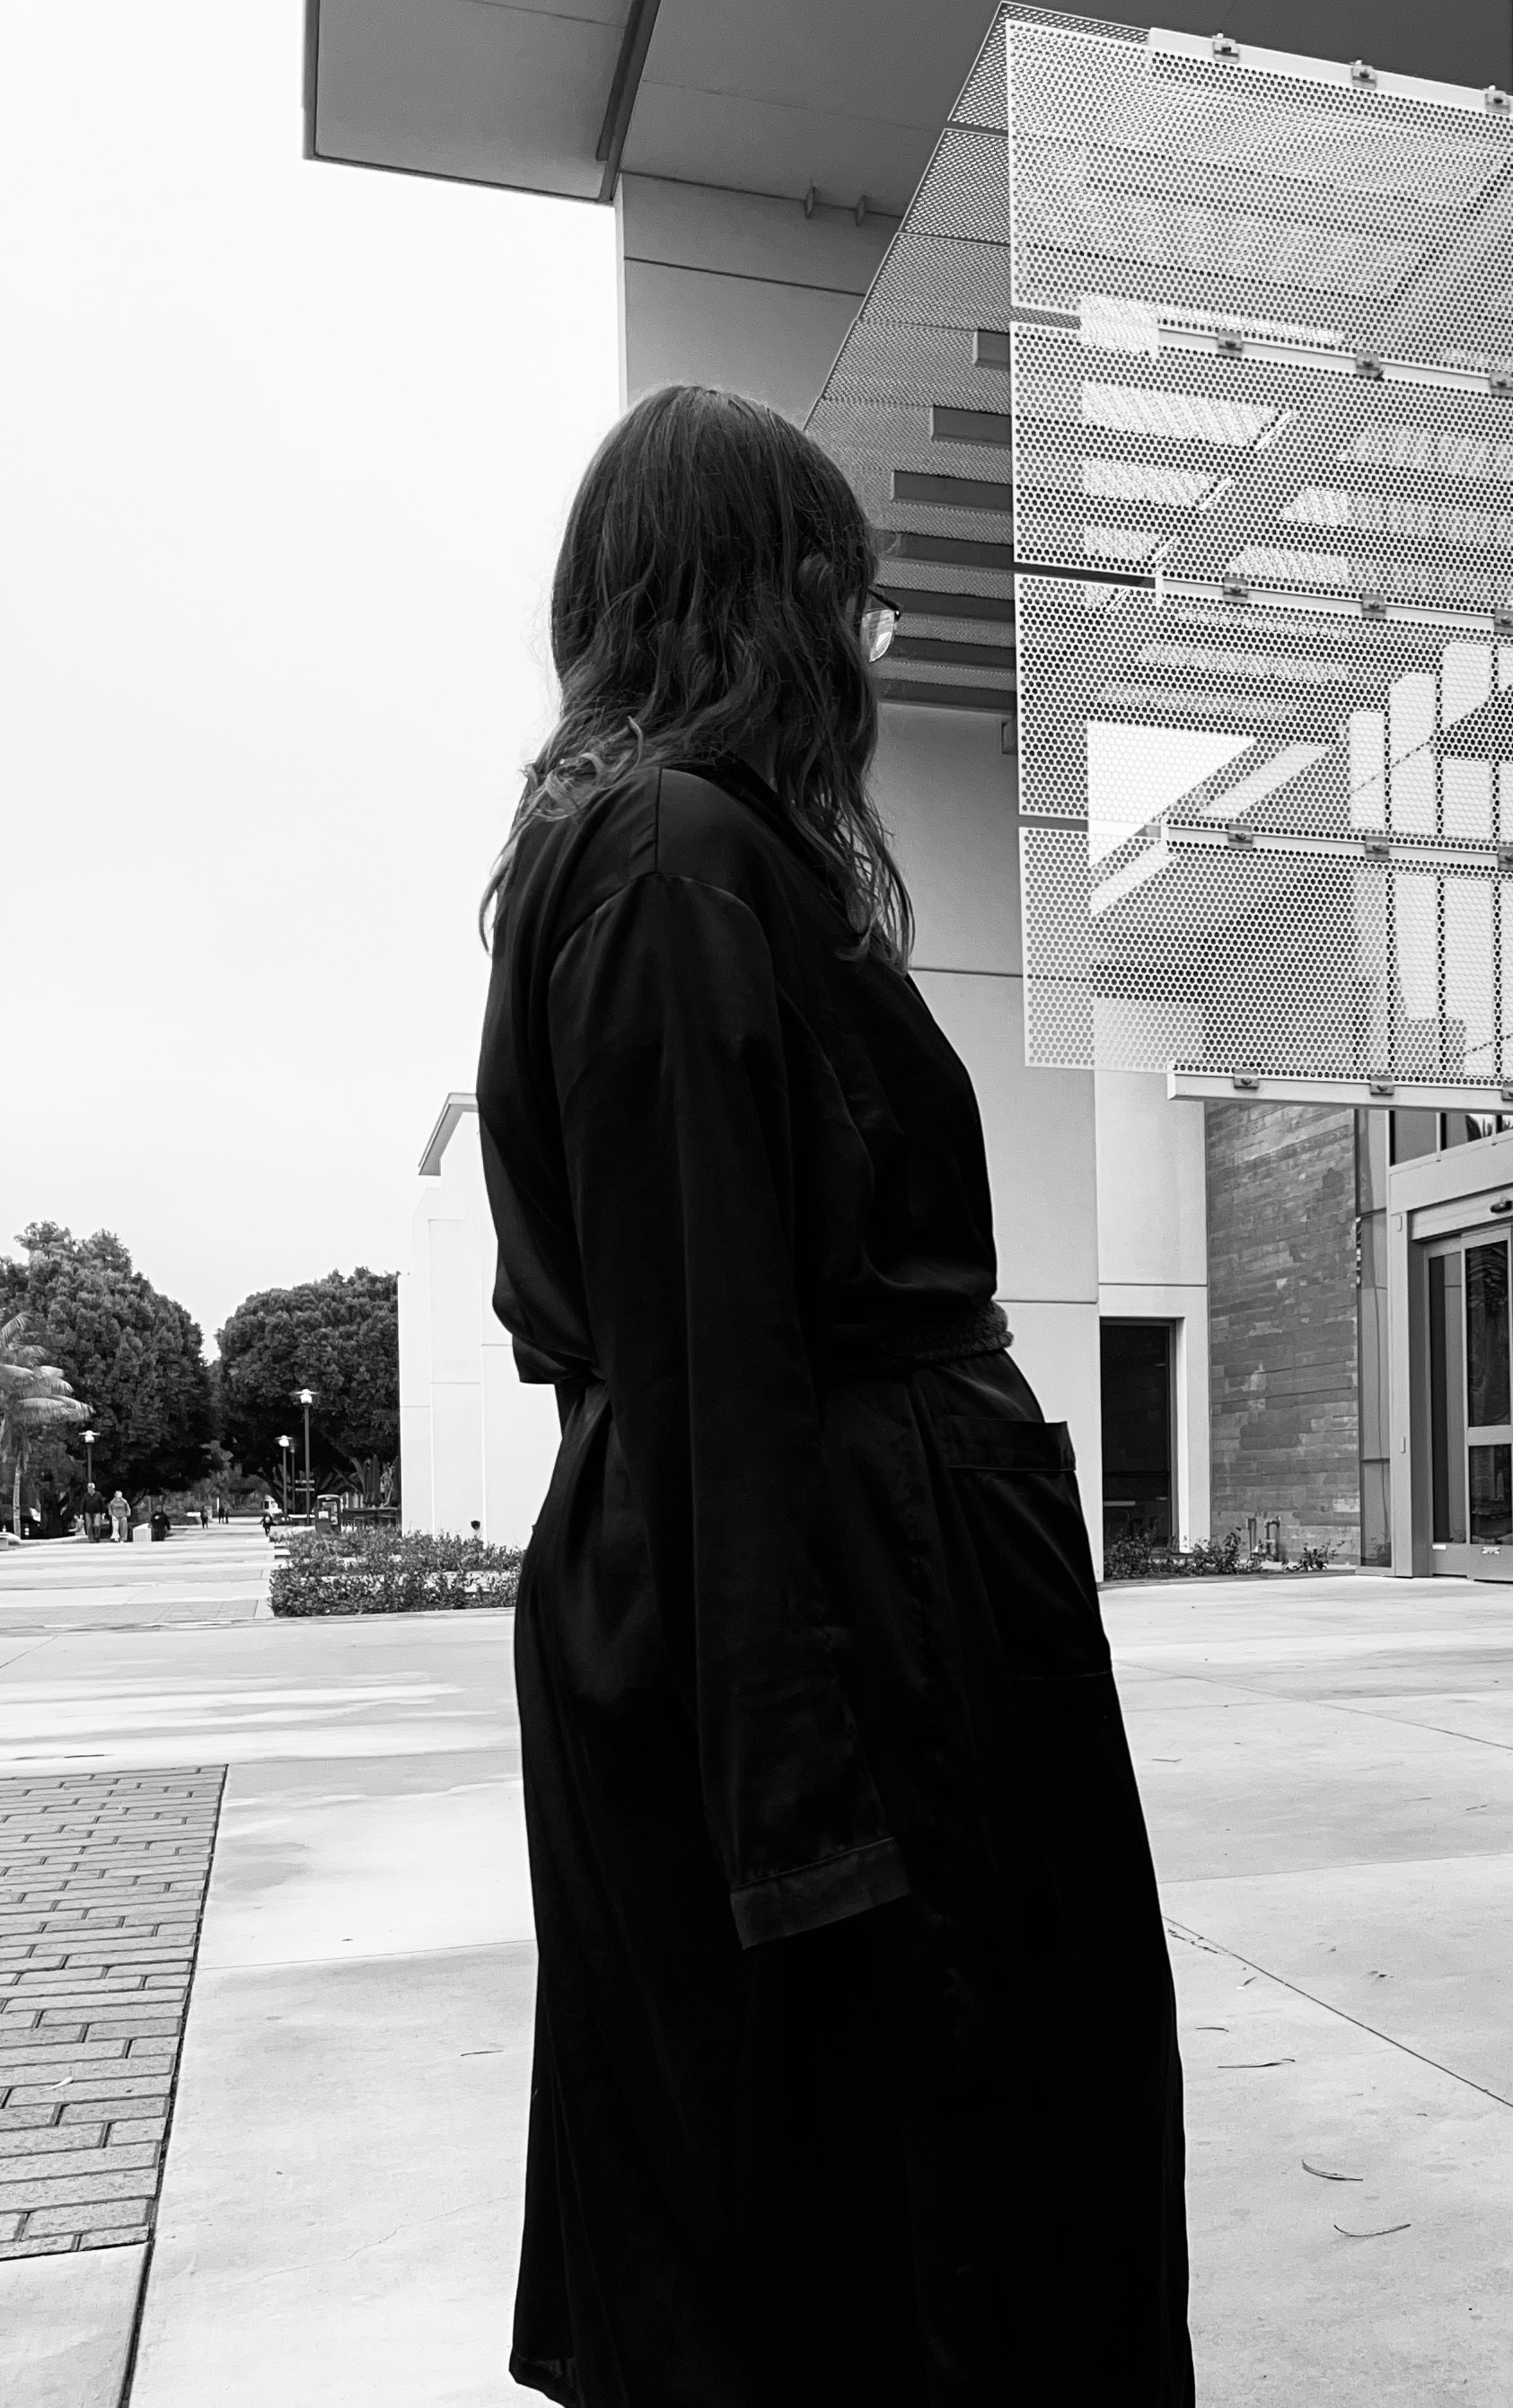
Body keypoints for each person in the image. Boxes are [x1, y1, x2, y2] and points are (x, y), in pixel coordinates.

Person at [475, 385, 1191, 2408]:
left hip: (866, 1592)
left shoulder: (662, 852)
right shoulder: (675, 859)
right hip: (866, 1628)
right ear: (757, 598)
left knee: (902, 2192)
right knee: (936, 2183)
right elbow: (714, 1345)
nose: (862, 653)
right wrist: (789, 1819)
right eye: (843, 599)